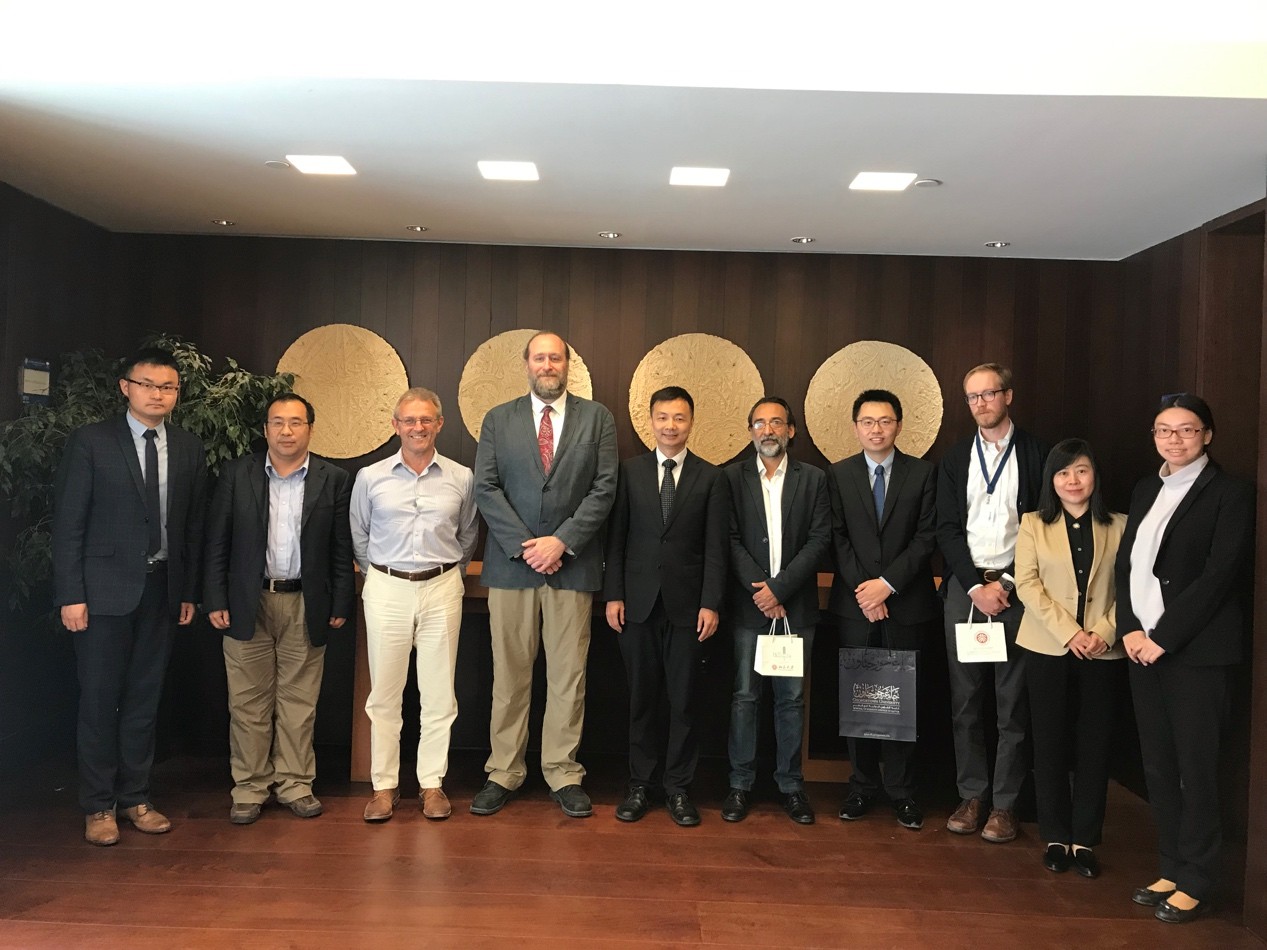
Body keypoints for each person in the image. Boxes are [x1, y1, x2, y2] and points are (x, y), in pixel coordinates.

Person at [52, 347, 208, 846]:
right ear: (126, 387)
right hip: (100, 595)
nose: (157, 394)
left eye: (168, 387)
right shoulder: (92, 442)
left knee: (144, 700)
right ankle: (98, 806)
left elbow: (192, 527)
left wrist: (188, 590)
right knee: (100, 701)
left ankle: (136, 798)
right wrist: (71, 594)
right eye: (147, 384)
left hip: (163, 590)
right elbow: (69, 524)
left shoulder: (188, 447)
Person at [1116, 393, 1253, 924]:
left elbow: (1219, 577)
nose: (1174, 439)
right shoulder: (1147, 488)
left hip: (1195, 654)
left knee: (1196, 769)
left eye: (1187, 429)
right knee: (1159, 765)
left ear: (1207, 435)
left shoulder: (1230, 493)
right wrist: (1130, 628)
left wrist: (1164, 637)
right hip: (1141, 648)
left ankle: (1198, 878)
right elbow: (1128, 565)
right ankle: (1171, 866)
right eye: (1164, 430)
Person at [472, 331, 618, 818]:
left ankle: (563, 772)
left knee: (568, 678)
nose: (548, 365)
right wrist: (527, 546)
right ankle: (503, 771)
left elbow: (604, 488)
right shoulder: (498, 419)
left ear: (567, 364)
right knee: (509, 676)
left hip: (572, 566)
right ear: (527, 364)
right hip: (512, 568)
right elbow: (486, 488)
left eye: (555, 358)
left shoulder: (597, 418)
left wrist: (562, 541)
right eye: (540, 358)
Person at [204, 393, 354, 825]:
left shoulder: (333, 478)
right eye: (277, 422)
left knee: (299, 702)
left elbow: (341, 547)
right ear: (265, 429)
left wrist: (340, 600)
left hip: (307, 602)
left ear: (310, 428)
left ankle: (295, 784)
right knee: (247, 703)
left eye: (296, 422)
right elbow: (217, 541)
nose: (286, 431)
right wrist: (215, 597)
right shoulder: (237, 474)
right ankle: (250, 787)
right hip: (246, 602)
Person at [351, 388, 478, 822]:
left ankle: (431, 784)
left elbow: (467, 534)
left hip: (441, 587)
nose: (417, 427)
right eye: (409, 420)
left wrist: (450, 574)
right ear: (395, 425)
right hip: (386, 587)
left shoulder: (462, 477)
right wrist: (380, 575)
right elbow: (360, 534)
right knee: (384, 695)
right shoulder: (370, 477)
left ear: (439, 424)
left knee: (439, 694)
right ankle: (384, 787)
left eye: (426, 420)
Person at [603, 386, 729, 827]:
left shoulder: (711, 478)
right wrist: (614, 593)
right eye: (663, 417)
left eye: (679, 418)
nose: (670, 426)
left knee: (684, 700)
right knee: (640, 699)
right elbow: (615, 540)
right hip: (635, 605)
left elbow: (716, 548)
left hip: (689, 609)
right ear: (650, 422)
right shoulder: (628, 472)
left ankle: (678, 788)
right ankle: (640, 784)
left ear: (691, 422)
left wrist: (711, 602)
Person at [936, 362, 1047, 843]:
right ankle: (972, 795)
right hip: (965, 589)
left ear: (1008, 396)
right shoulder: (956, 457)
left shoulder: (1038, 454)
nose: (981, 403)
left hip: (1018, 590)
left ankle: (1005, 804)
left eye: (989, 393)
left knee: (1011, 704)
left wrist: (1006, 583)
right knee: (965, 703)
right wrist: (974, 585)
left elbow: (1044, 525)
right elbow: (945, 528)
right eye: (973, 396)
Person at [827, 389, 938, 832]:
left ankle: (902, 791)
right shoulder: (837, 474)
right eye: (868, 421)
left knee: (903, 699)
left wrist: (887, 586)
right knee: (859, 695)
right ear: (856, 427)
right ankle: (860, 786)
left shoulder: (923, 473)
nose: (876, 429)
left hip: (907, 604)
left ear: (899, 425)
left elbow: (927, 537)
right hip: (855, 606)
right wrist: (866, 592)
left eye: (885, 421)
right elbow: (836, 537)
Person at [1014, 439, 1126, 878]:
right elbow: (1027, 585)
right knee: (1050, 741)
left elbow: (1131, 588)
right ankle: (1056, 837)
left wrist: (1103, 632)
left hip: (1103, 649)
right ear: (1051, 480)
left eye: (1081, 470)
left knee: (1095, 744)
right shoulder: (1032, 524)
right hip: (1048, 646)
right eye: (1063, 473)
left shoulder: (1121, 525)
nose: (1072, 480)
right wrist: (1070, 633)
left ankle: (1085, 839)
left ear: (1094, 475)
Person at [721, 396, 831, 825]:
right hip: (750, 608)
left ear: (791, 430)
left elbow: (819, 540)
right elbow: (730, 539)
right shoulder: (731, 478)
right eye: (759, 423)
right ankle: (740, 783)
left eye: (776, 423)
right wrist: (762, 591)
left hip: (795, 607)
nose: (768, 430)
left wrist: (780, 589)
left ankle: (791, 785)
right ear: (750, 430)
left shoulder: (814, 479)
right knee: (744, 698)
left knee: (791, 700)